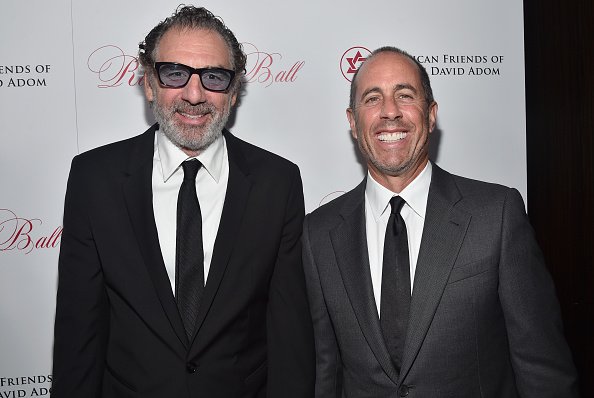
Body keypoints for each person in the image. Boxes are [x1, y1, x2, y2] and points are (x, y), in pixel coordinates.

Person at [51, 6, 314, 397]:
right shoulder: (95, 179)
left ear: (234, 90)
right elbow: (79, 337)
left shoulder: (277, 183)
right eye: (175, 73)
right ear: (149, 83)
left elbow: (290, 339)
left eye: (213, 77)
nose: (194, 95)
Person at [302, 46, 579, 397]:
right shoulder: (318, 234)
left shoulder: (497, 215)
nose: (390, 112)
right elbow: (326, 376)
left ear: (431, 115)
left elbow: (542, 371)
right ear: (353, 123)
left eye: (405, 95)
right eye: (372, 99)